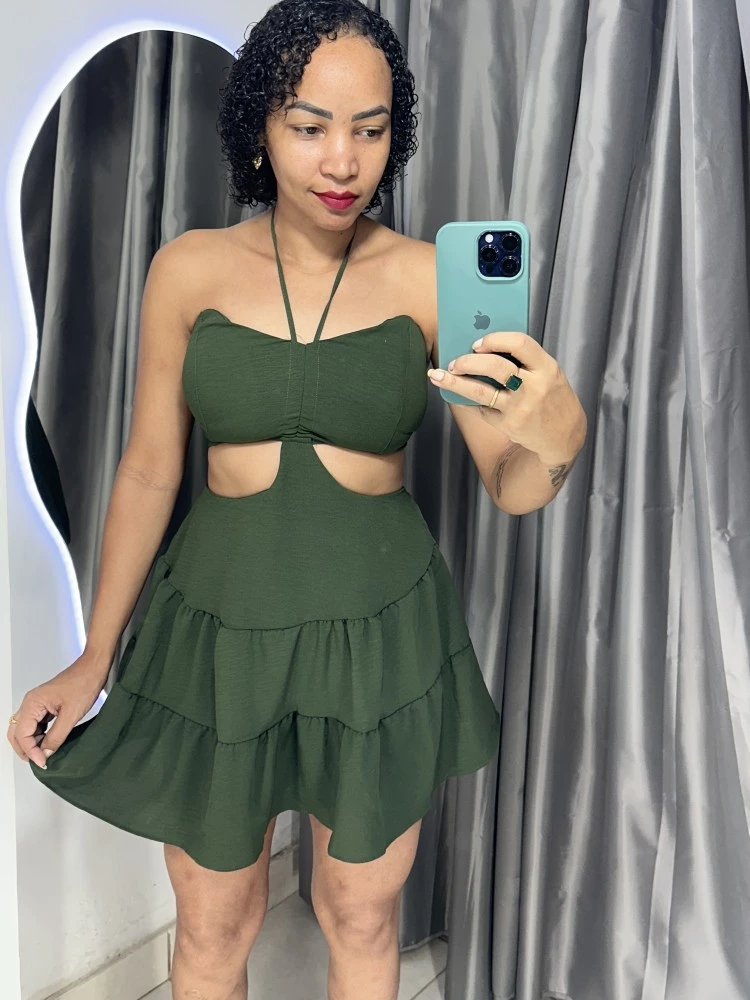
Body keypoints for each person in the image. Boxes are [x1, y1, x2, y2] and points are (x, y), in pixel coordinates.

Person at [7, 1, 587, 998]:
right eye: (310, 126)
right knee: (213, 925)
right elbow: (148, 469)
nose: (342, 161)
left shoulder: (431, 280)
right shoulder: (187, 269)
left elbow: (511, 482)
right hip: (216, 633)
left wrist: (560, 439)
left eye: (370, 129)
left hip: (378, 634)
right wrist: (94, 657)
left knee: (360, 914)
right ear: (259, 129)